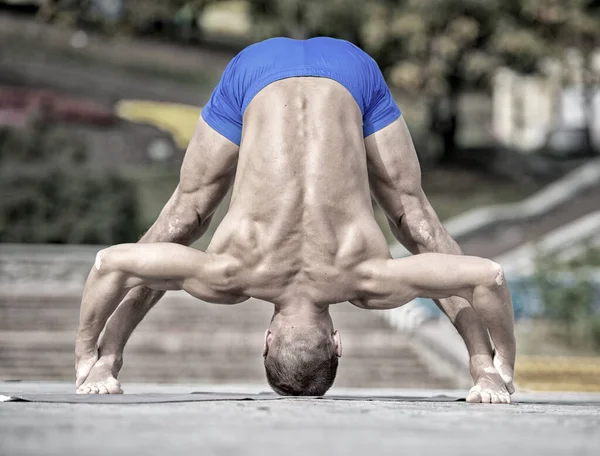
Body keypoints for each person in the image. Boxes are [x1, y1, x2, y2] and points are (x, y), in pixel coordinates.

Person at [75, 37, 516, 403]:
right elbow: (125, 264)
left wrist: (492, 367)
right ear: (266, 341)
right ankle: (106, 360)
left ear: (337, 342)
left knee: (181, 219)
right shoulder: (233, 277)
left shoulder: (366, 281)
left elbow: (463, 277)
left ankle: (110, 360)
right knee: (416, 221)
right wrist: (91, 350)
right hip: (263, 70)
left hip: (343, 72)